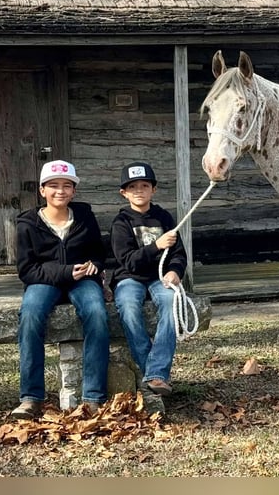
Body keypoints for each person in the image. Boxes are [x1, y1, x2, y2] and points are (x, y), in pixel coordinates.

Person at [12, 160, 109, 419]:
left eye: (67, 186)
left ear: (74, 191)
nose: (60, 191)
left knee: (97, 313)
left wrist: (95, 265)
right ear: (42, 190)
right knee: (30, 314)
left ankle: (94, 397)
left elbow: (100, 253)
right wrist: (65, 272)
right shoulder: (27, 223)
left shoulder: (85, 216)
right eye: (53, 185)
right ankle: (31, 397)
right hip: (44, 280)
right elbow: (27, 270)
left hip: (83, 281)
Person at [110, 161, 187, 400]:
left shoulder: (163, 217)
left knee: (171, 302)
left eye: (144, 185)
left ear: (153, 189)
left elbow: (178, 254)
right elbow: (128, 261)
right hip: (130, 278)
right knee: (129, 307)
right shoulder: (121, 223)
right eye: (132, 187)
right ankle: (154, 373)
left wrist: (175, 271)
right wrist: (156, 246)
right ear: (124, 193)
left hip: (159, 277)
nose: (139, 190)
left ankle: (156, 373)